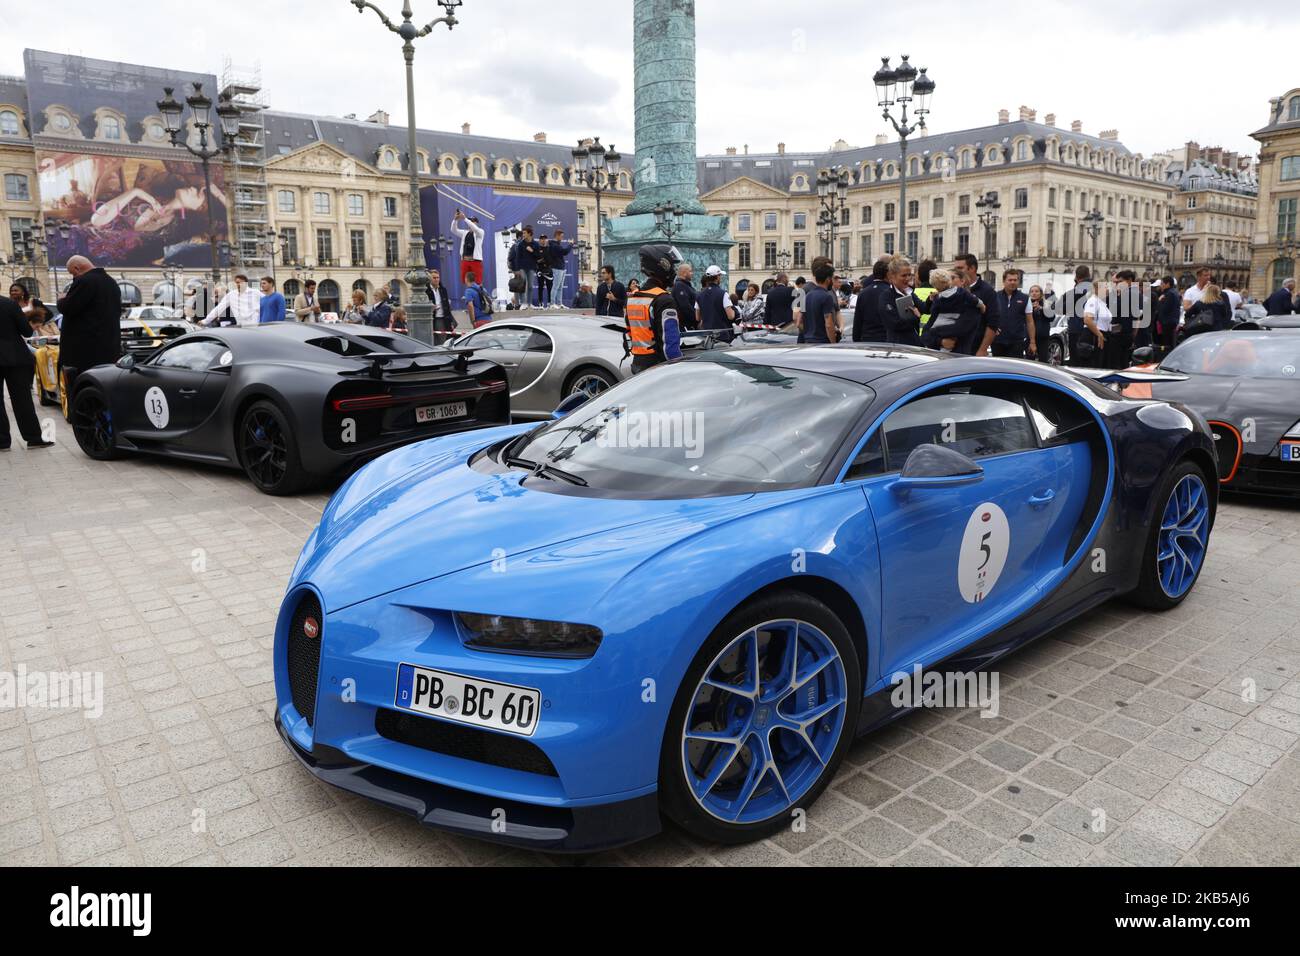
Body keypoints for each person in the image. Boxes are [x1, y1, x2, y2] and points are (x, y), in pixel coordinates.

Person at [56, 255, 121, 389]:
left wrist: (61, 299)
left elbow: (69, 307)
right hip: (108, 347)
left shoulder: (85, 281)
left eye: (72, 273)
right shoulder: (111, 282)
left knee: (82, 390)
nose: (73, 277)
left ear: (76, 268)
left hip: (84, 352)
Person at [0, 292, 53, 449]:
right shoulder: (9, 304)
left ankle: (2, 441)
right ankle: (34, 437)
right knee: (22, 398)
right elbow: (26, 331)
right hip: (15, 357)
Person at [626, 244, 683, 374]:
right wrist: (678, 370)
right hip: (658, 368)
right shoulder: (664, 300)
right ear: (663, 267)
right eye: (672, 267)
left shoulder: (633, 298)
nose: (674, 271)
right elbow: (670, 346)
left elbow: (631, 332)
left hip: (637, 365)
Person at [923, 268, 985, 352]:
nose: (946, 281)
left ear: (962, 281)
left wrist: (934, 333)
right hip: (938, 358)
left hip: (959, 357)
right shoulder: (940, 301)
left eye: (952, 278)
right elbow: (925, 334)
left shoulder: (971, 306)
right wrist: (940, 341)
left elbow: (959, 329)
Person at [953, 253, 1001, 355]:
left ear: (972, 268)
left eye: (960, 268)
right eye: (955, 268)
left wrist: (982, 350)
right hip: (953, 348)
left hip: (974, 349)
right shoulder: (952, 289)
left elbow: (992, 323)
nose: (956, 272)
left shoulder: (987, 291)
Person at [878, 255, 922, 346]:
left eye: (909, 275)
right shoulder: (886, 296)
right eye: (903, 275)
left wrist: (932, 300)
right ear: (892, 276)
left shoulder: (909, 292)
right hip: (898, 346)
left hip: (914, 343)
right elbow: (894, 324)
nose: (907, 278)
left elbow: (924, 307)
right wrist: (915, 317)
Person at [991, 269, 1031, 359]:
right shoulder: (994, 296)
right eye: (1010, 280)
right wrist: (993, 327)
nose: (1013, 282)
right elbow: (988, 316)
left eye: (1015, 280)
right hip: (997, 341)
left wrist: (1032, 342)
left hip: (1017, 342)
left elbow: (1030, 321)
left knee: (1015, 370)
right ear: (1004, 281)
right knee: (998, 368)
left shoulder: (1025, 298)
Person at [798, 260, 839, 345]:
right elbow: (828, 324)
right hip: (822, 342)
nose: (832, 281)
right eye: (832, 278)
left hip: (807, 342)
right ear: (828, 279)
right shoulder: (827, 297)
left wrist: (808, 334)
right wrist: (833, 343)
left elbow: (799, 322)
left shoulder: (807, 296)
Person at [1105, 270, 1139, 368]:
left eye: (1120, 282)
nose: (1117, 284)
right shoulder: (1132, 293)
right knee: (1123, 363)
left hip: (1120, 335)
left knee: (1117, 364)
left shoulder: (1127, 294)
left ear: (1128, 280)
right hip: (1126, 334)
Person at [852, 258, 890, 342]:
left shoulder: (863, 293)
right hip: (885, 338)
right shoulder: (890, 292)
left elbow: (858, 319)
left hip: (866, 338)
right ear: (888, 274)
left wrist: (856, 339)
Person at [696, 264, 735, 334]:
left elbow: (697, 318)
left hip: (706, 334)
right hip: (721, 334)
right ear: (717, 277)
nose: (721, 277)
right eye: (720, 275)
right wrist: (734, 311)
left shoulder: (699, 295)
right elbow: (731, 316)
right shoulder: (723, 294)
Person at [508, 227, 540, 308]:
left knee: (530, 286)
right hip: (522, 268)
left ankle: (529, 303)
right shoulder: (521, 244)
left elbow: (538, 256)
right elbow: (517, 258)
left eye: (525, 233)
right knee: (522, 285)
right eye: (523, 233)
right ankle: (523, 303)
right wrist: (518, 269)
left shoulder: (535, 244)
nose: (523, 234)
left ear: (529, 233)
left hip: (531, 268)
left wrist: (532, 251)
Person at [450, 210, 485, 285]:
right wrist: (455, 220)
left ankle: (479, 295)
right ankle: (470, 294)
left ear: (476, 223)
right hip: (465, 260)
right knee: (465, 280)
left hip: (475, 261)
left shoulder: (480, 232)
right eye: (470, 221)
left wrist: (465, 219)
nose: (471, 223)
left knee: (478, 281)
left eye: (473, 221)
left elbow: (475, 229)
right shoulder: (465, 233)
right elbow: (453, 230)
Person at [547, 228, 574, 308]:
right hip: (557, 268)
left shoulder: (556, 245)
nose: (562, 238)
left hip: (560, 267)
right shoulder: (554, 245)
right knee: (556, 286)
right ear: (557, 235)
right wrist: (571, 244)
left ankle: (559, 303)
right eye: (561, 236)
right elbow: (565, 251)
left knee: (559, 287)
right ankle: (552, 304)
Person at [428, 269, 456, 344]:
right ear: (430, 279)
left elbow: (447, 306)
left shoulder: (443, 289)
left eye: (438, 277)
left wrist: (451, 321)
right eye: (434, 278)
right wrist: (431, 308)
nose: (436, 279)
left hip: (444, 318)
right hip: (432, 318)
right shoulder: (426, 290)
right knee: (434, 340)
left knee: (444, 340)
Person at [671, 262, 698, 332]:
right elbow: (685, 306)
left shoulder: (686, 286)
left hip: (689, 325)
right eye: (690, 271)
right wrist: (696, 319)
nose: (692, 273)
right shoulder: (679, 286)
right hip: (686, 326)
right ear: (684, 273)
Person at [1027, 285, 1051, 362]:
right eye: (1032, 291)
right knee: (1029, 360)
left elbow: (1051, 317)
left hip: (1042, 337)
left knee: (1043, 360)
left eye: (1036, 291)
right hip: (1029, 337)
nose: (1034, 293)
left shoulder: (1046, 303)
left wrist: (1041, 309)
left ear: (1041, 293)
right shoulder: (1027, 304)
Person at [536, 234, 555, 307]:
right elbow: (537, 259)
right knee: (540, 287)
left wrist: (544, 260)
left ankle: (549, 302)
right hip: (540, 270)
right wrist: (542, 260)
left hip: (548, 270)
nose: (543, 240)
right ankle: (540, 302)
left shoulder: (550, 249)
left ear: (547, 240)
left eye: (545, 239)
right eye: (542, 239)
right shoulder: (537, 249)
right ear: (540, 240)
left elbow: (551, 259)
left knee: (549, 287)